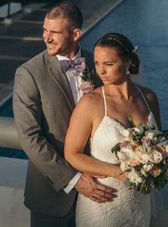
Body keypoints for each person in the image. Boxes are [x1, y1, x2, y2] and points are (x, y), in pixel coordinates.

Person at [13, 2, 117, 227]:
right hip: (51, 197)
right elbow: (30, 137)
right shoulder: (28, 74)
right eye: (44, 30)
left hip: (102, 193)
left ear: (76, 33)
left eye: (54, 32)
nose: (46, 38)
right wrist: (74, 180)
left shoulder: (98, 65)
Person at [64, 32, 162, 227]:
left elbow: (159, 144)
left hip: (139, 202)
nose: (101, 71)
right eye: (98, 63)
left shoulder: (149, 98)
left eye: (108, 64)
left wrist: (164, 162)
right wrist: (118, 172)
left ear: (128, 63)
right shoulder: (90, 103)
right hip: (102, 201)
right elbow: (71, 154)